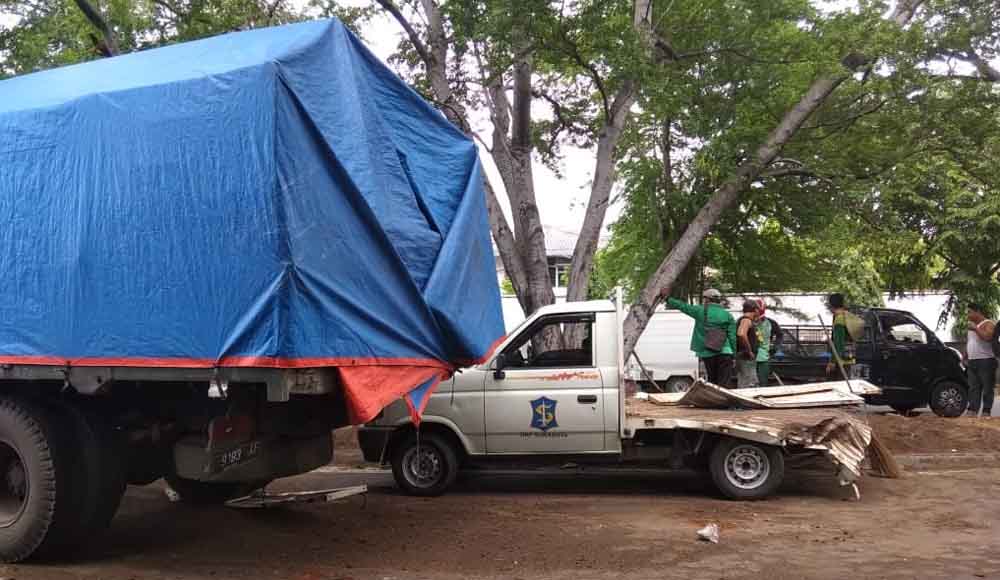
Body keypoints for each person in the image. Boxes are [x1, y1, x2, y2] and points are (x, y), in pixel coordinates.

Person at [663, 288, 737, 387]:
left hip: (708, 352)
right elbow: (732, 337)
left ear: (707, 299)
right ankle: (725, 401)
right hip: (725, 352)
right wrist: (734, 354)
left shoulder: (699, 311)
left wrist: (667, 298)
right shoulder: (727, 315)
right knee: (725, 382)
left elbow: (683, 306)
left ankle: (714, 401)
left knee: (712, 381)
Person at [965, 303, 997, 418]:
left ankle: (986, 412)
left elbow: (988, 338)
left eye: (969, 312)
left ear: (977, 311)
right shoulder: (972, 326)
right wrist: (965, 357)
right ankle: (973, 410)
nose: (967, 315)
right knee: (973, 387)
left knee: (987, 387)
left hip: (986, 360)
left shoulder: (988, 323)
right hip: (972, 361)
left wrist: (976, 329)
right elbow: (969, 342)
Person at [754, 298, 782, 387]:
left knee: (762, 381)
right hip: (748, 357)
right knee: (750, 381)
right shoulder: (745, 321)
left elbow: (780, 335)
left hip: (764, 357)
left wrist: (775, 347)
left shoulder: (771, 323)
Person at [826, 293, 855, 377]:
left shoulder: (839, 319)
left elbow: (838, 343)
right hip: (849, 357)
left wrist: (832, 362)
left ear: (831, 305)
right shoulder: (847, 316)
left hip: (841, 362)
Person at [736, 301, 761, 388]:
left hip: (745, 357)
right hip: (745, 357)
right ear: (755, 310)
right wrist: (749, 351)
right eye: (758, 309)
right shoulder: (746, 320)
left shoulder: (744, 320)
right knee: (749, 383)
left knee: (747, 380)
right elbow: (741, 334)